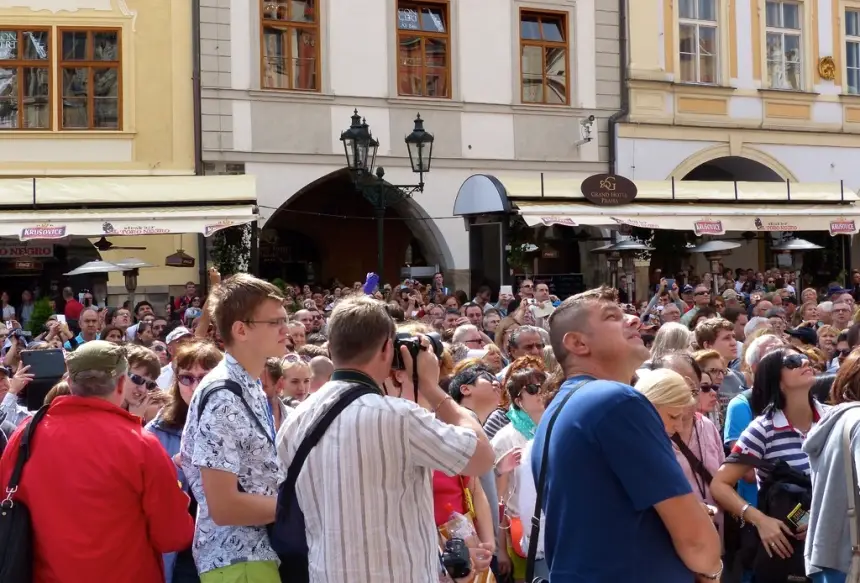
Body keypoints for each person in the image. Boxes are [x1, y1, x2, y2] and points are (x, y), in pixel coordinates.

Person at [276, 295, 495, 583]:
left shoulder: (295, 419)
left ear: (331, 348)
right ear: (386, 349)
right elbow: (482, 458)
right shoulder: (399, 417)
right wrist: (430, 387)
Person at [532, 286, 722, 582]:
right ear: (578, 343)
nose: (633, 320)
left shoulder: (559, 408)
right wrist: (712, 569)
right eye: (612, 317)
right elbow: (698, 542)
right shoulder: (616, 400)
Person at [0, 340, 194, 582]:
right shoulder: (141, 444)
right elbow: (173, 536)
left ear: (69, 382)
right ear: (122, 383)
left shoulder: (26, 434)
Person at [180, 274, 289, 583]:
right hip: (237, 563)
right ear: (241, 329)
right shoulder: (224, 395)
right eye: (275, 322)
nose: (286, 328)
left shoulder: (246, 384)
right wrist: (302, 506)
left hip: (253, 557)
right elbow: (224, 506)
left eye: (286, 319)